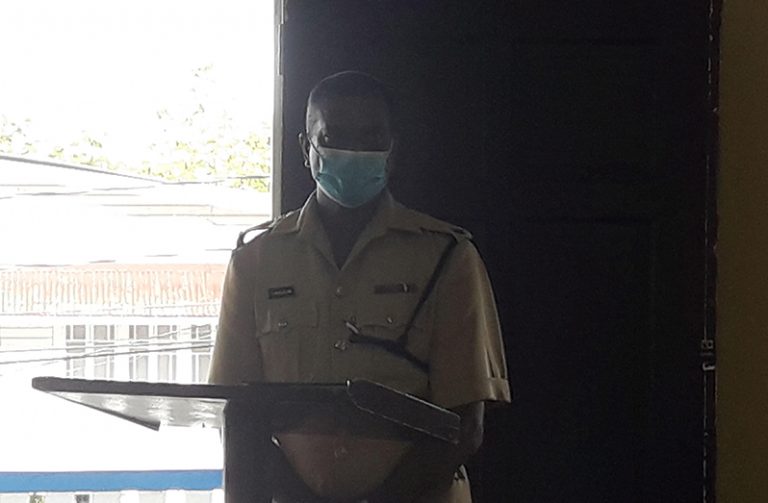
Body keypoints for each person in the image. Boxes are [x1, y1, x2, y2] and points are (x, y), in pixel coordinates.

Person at [209, 71, 510, 503]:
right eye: (333, 137)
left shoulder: (448, 258)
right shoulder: (255, 262)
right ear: (306, 149)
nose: (353, 152)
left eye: (371, 138)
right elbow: (238, 416)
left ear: (393, 149)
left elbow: (465, 424)